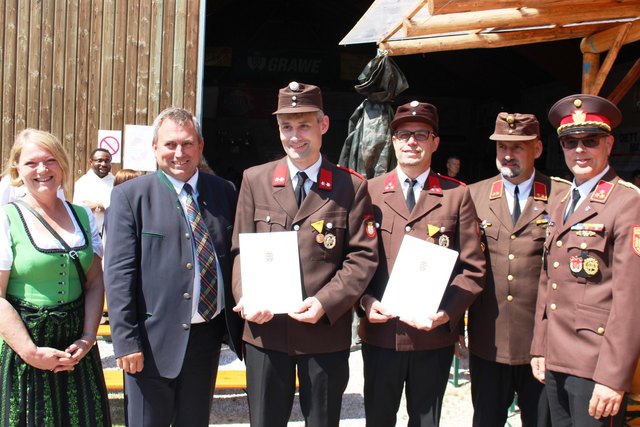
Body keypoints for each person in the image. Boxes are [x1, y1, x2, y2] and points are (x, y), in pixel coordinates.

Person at [231, 81, 378, 427]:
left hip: (323, 333)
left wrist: (326, 303)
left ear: (323, 125)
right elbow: (240, 248)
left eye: (304, 125)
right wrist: (245, 295)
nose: (295, 136)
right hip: (265, 331)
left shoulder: (351, 186)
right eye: (286, 126)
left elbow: (362, 256)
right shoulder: (256, 179)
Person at [104, 107, 242, 426]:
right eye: (170, 144)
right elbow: (119, 275)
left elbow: (237, 256)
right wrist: (125, 342)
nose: (179, 153)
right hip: (150, 344)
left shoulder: (224, 192)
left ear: (200, 146)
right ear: (154, 148)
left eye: (187, 143)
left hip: (205, 340)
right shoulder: (130, 197)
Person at [358, 100, 486, 426]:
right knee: (378, 418)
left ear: (435, 142)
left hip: (432, 337)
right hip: (381, 333)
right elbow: (355, 259)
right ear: (393, 141)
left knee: (426, 420)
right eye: (403, 134)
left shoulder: (456, 195)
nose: (412, 142)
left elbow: (473, 268)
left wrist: (447, 315)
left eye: (421, 134)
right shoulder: (369, 192)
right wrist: (365, 301)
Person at [531, 94, 640, 426]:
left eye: (589, 140)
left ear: (608, 143)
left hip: (596, 365)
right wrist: (539, 345)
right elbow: (548, 279)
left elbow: (631, 300)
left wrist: (613, 376)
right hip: (556, 357)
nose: (579, 150)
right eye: (569, 142)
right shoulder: (562, 200)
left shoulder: (627, 202)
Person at [0, 129, 110, 425]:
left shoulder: (83, 216)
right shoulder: (6, 218)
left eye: (50, 160)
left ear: (62, 165)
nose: (42, 170)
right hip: (27, 346)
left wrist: (88, 337)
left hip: (76, 350)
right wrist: (30, 351)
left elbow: (95, 282)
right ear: (17, 170)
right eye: (31, 163)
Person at [467, 113, 570, 427]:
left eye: (518, 147)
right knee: (486, 420)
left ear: (537, 149)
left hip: (540, 343)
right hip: (488, 338)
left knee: (541, 421)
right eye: (502, 147)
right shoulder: (473, 195)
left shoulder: (562, 196)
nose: (507, 155)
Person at [72, 148, 115, 232]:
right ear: (91, 162)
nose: (104, 164)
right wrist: (106, 207)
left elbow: (118, 208)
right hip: (90, 231)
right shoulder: (82, 183)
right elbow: (80, 210)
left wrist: (97, 206)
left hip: (111, 231)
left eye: (107, 161)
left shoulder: (116, 182)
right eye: (99, 160)